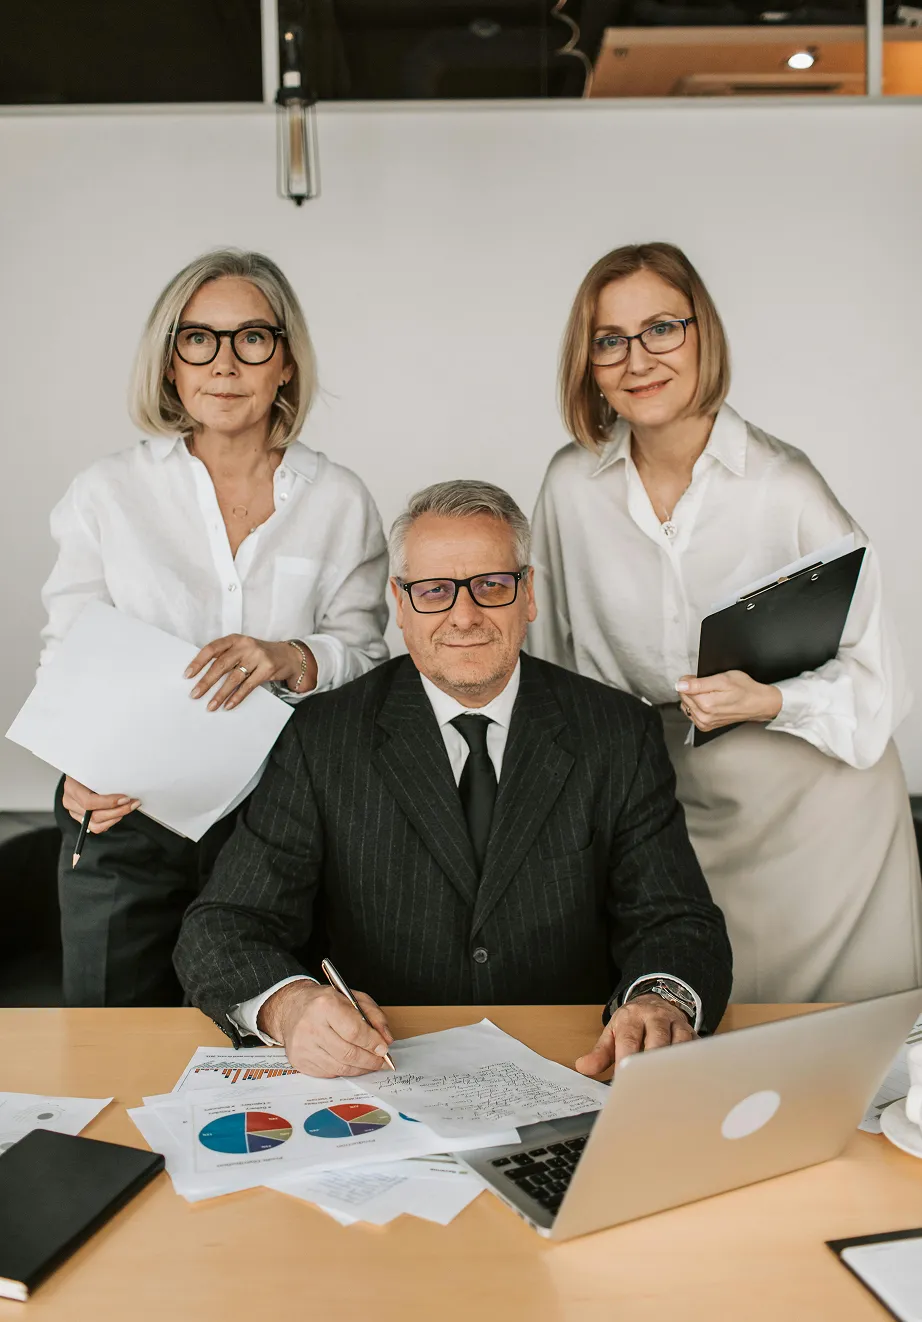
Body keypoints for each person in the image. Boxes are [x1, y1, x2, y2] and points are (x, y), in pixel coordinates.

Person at [174, 480, 732, 1078]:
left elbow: (676, 920)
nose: (464, 616)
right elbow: (224, 924)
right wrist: (290, 1008)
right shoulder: (321, 738)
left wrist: (660, 1001)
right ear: (400, 603)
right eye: (435, 591)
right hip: (381, 1071)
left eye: (491, 586)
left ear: (528, 594)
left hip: (573, 1064)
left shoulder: (618, 731)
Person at [529, 240, 922, 1004]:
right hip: (660, 799)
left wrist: (768, 699)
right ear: (589, 364)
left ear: (702, 333)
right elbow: (549, 669)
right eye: (610, 340)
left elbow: (880, 685)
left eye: (661, 329)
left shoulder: (785, 484)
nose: (638, 360)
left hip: (820, 810)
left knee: (834, 1043)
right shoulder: (569, 487)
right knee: (686, 1020)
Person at [42, 248, 389, 1008]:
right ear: (171, 363)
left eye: (252, 339)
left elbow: (370, 659)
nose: (224, 364)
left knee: (266, 1042)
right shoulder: (107, 492)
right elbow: (66, 650)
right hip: (126, 812)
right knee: (111, 1044)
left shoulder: (339, 500)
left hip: (279, 826)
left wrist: (292, 655)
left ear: (286, 362)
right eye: (199, 340)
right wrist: (74, 767)